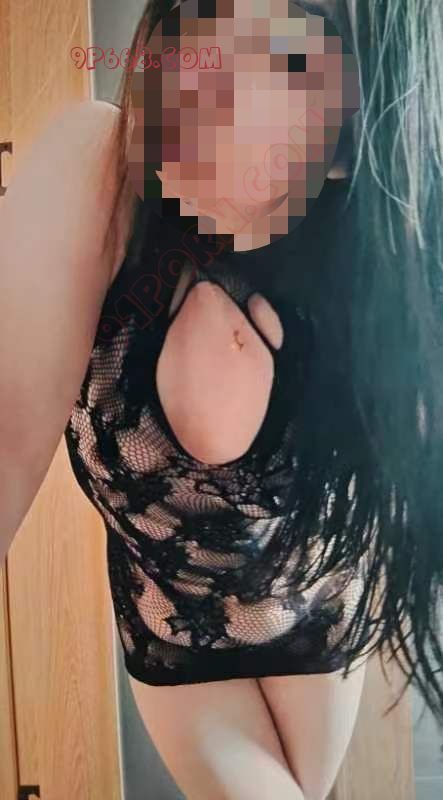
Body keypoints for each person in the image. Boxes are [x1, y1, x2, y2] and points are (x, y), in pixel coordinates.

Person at [1, 1, 442, 799]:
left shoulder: (374, 239)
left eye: (289, 61)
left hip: (318, 615)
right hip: (175, 627)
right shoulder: (101, 169)